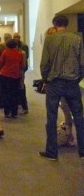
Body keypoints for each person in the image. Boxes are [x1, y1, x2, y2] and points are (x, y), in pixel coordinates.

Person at [39, 15, 84, 161]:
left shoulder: (50, 39)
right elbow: (82, 63)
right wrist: (78, 78)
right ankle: (82, 151)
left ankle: (52, 152)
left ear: (54, 23)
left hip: (55, 82)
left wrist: (46, 79)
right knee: (78, 116)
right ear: (67, 23)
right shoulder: (77, 39)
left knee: (51, 117)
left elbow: (44, 63)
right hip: (72, 82)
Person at [0, 39, 24, 118]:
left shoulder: (5, 52)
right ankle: (14, 113)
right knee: (15, 94)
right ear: (16, 45)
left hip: (5, 75)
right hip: (15, 76)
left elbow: (0, 63)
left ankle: (7, 112)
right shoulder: (20, 54)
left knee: (6, 93)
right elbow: (21, 65)